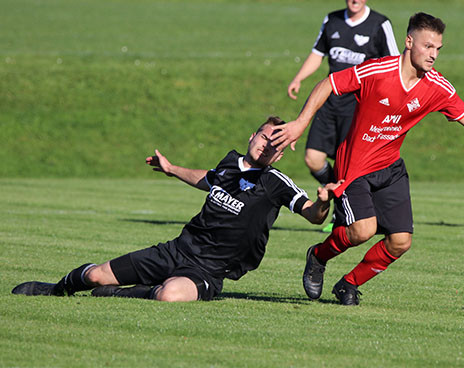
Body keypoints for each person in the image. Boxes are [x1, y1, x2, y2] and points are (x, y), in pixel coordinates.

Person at [273, 13, 464, 306]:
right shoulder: (377, 71)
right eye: (428, 46)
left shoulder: (436, 86)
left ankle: (348, 284)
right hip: (354, 167)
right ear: (409, 42)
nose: (433, 55)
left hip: (390, 168)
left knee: (400, 242)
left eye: (438, 49)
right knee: (363, 230)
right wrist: (300, 123)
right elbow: (329, 83)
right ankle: (318, 256)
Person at [12, 116, 338, 302]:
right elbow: (207, 179)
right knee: (96, 274)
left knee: (169, 296)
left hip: (207, 272)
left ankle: (119, 295)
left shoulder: (275, 182)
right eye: (266, 137)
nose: (268, 145)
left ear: (280, 155)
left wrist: (323, 202)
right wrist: (172, 169)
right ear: (253, 135)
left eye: (276, 145)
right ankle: (56, 288)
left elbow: (311, 213)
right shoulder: (229, 164)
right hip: (175, 251)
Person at [287, 0, 399, 232]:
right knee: (313, 159)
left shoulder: (380, 24)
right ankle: (337, 194)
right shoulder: (333, 20)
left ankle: (343, 214)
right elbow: (317, 53)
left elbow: (395, 64)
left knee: (347, 165)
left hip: (359, 106)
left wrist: (390, 101)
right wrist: (298, 78)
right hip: (328, 101)